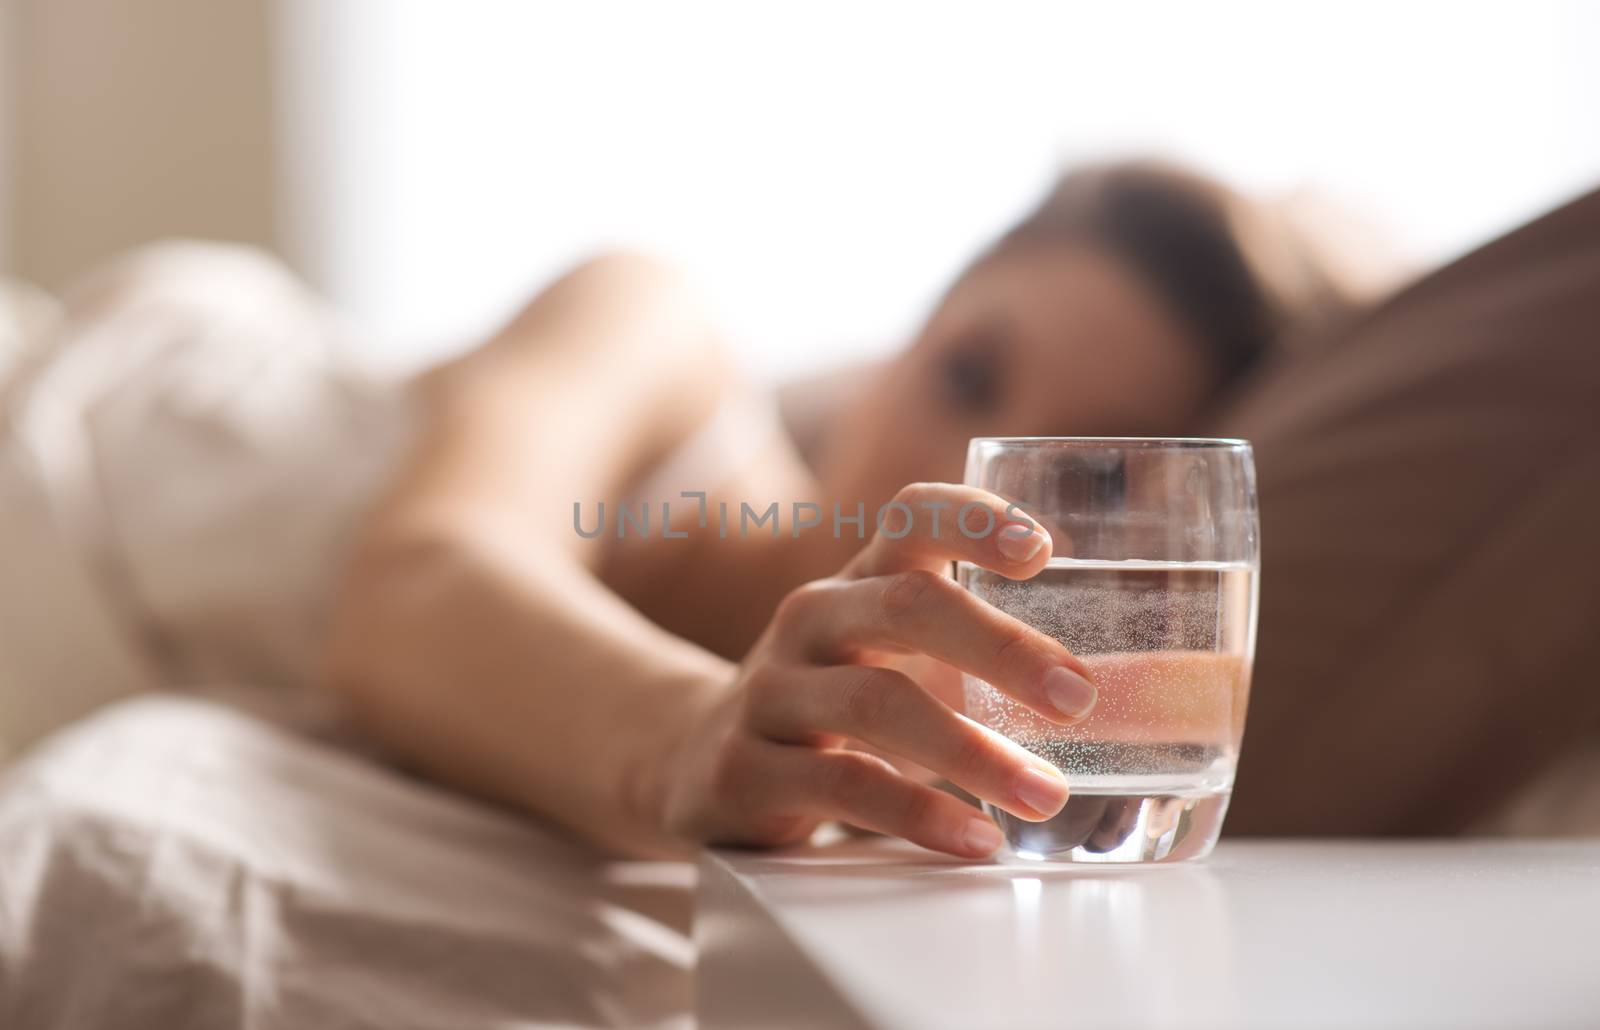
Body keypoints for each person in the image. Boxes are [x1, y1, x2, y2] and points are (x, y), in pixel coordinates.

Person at [317, 161, 1368, 858]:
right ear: (898, 345)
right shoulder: (656, 330)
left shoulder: (920, 793)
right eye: (964, 375)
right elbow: (419, 579)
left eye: (1084, 479)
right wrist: (682, 738)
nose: (968, 483)